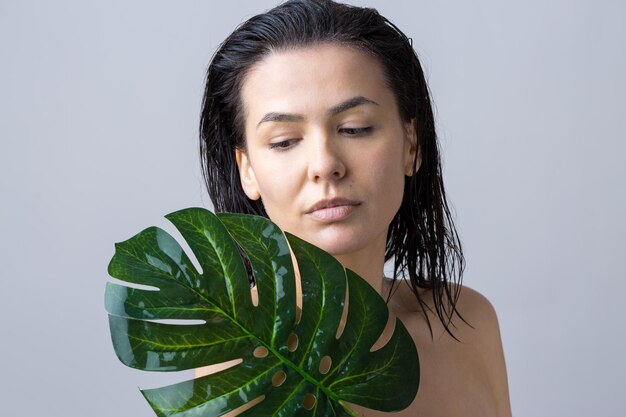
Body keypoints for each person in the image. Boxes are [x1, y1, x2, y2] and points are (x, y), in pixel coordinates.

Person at [197, 0, 512, 415]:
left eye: (355, 128)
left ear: (411, 145)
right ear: (247, 171)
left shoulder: (469, 324)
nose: (325, 163)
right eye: (284, 141)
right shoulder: (233, 362)